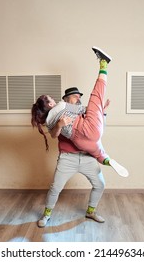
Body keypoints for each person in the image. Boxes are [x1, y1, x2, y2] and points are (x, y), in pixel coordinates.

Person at [31, 47, 129, 178]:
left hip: (80, 141)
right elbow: (84, 109)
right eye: (51, 99)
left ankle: (108, 161)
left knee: (98, 154)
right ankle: (104, 63)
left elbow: (54, 135)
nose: (78, 98)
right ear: (51, 103)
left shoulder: (48, 122)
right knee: (97, 95)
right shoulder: (62, 105)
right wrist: (98, 108)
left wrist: (100, 111)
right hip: (88, 131)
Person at [36, 87, 108, 227]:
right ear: (66, 99)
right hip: (67, 158)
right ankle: (46, 215)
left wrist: (101, 111)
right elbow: (53, 135)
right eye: (75, 96)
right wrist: (60, 124)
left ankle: (91, 211)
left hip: (87, 157)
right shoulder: (58, 113)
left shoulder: (82, 113)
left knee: (100, 185)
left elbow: (98, 129)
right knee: (55, 188)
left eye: (79, 96)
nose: (78, 98)